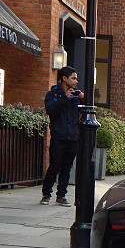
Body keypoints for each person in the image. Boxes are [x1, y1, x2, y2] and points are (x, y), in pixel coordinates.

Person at [40, 66, 84, 206]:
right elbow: (51, 110)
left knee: (67, 168)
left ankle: (61, 196)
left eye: (76, 78)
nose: (76, 81)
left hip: (73, 138)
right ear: (64, 79)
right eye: (73, 78)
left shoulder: (76, 96)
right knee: (54, 166)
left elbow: (86, 113)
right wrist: (65, 98)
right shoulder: (53, 94)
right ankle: (46, 194)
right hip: (58, 137)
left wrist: (84, 99)